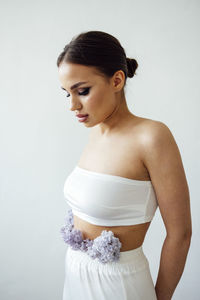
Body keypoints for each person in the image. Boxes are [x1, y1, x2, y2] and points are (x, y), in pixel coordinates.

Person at [57, 30, 192, 300]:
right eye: (67, 93)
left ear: (117, 80)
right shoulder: (97, 132)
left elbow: (181, 234)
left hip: (119, 287)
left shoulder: (152, 137)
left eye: (82, 91)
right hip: (75, 276)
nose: (73, 105)